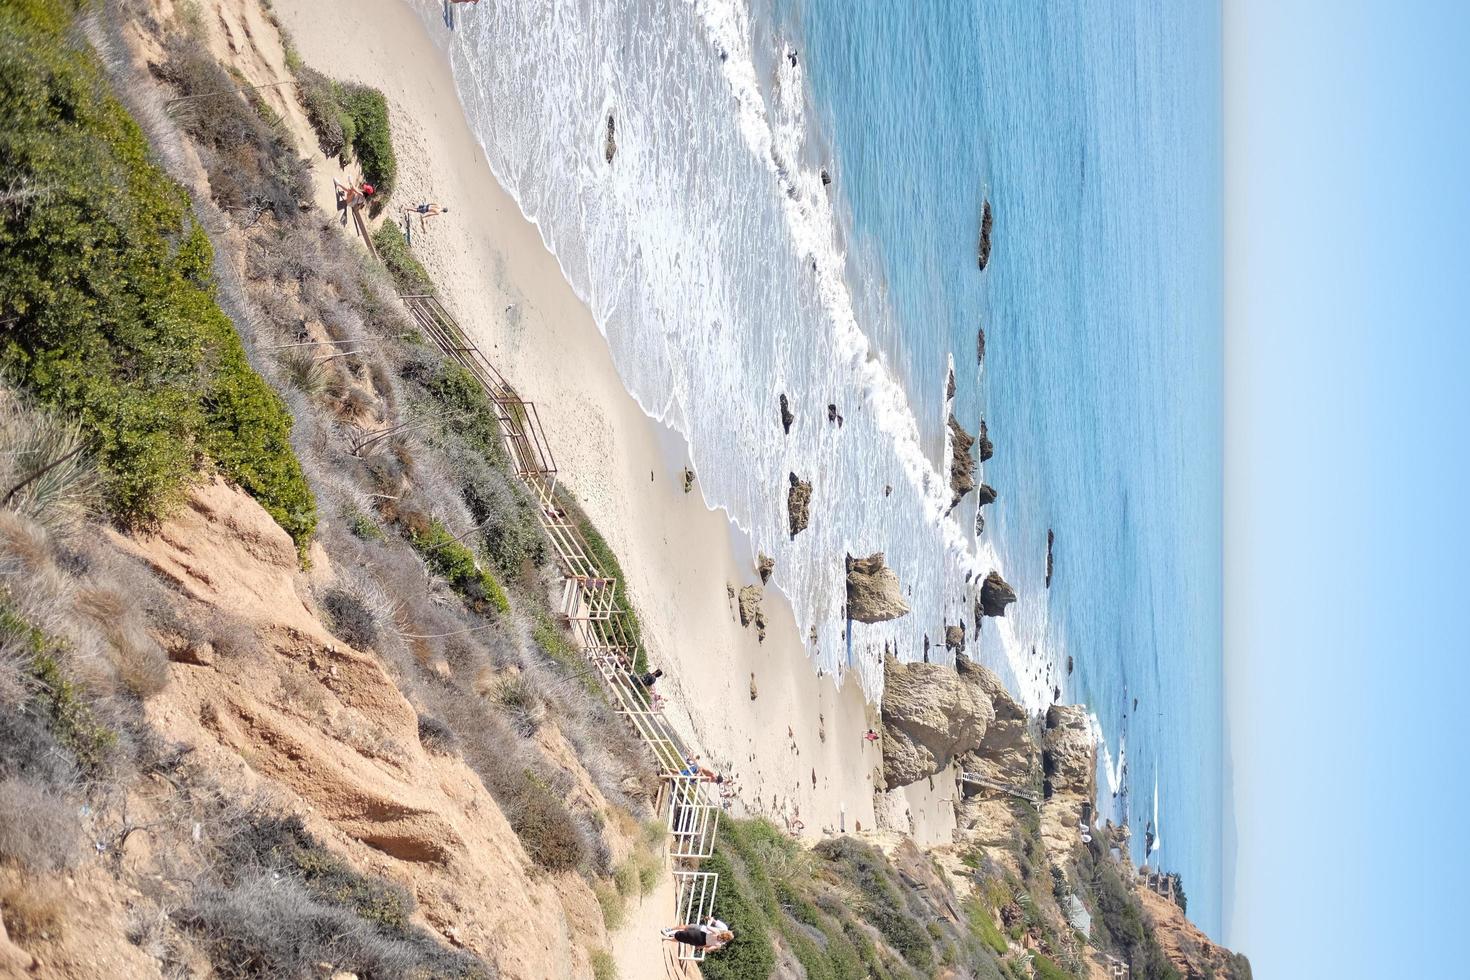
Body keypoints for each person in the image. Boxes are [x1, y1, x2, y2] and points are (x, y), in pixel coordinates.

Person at [661, 923, 734, 952]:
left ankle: (668, 932)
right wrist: (700, 947)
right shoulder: (719, 944)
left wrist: (710, 921)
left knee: (684, 932)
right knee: (682, 939)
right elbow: (707, 948)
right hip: (700, 941)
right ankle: (666, 938)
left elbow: (708, 927)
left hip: (701, 933)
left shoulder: (717, 932)